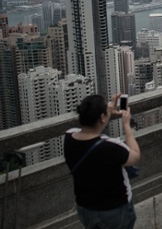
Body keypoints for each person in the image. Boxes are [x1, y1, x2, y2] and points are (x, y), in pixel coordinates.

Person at [64, 93, 140, 229]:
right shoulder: (110, 147)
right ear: (102, 118)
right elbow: (135, 156)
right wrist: (127, 125)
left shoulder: (69, 138)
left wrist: (106, 110)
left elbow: (86, 128)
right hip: (115, 209)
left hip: (85, 208)